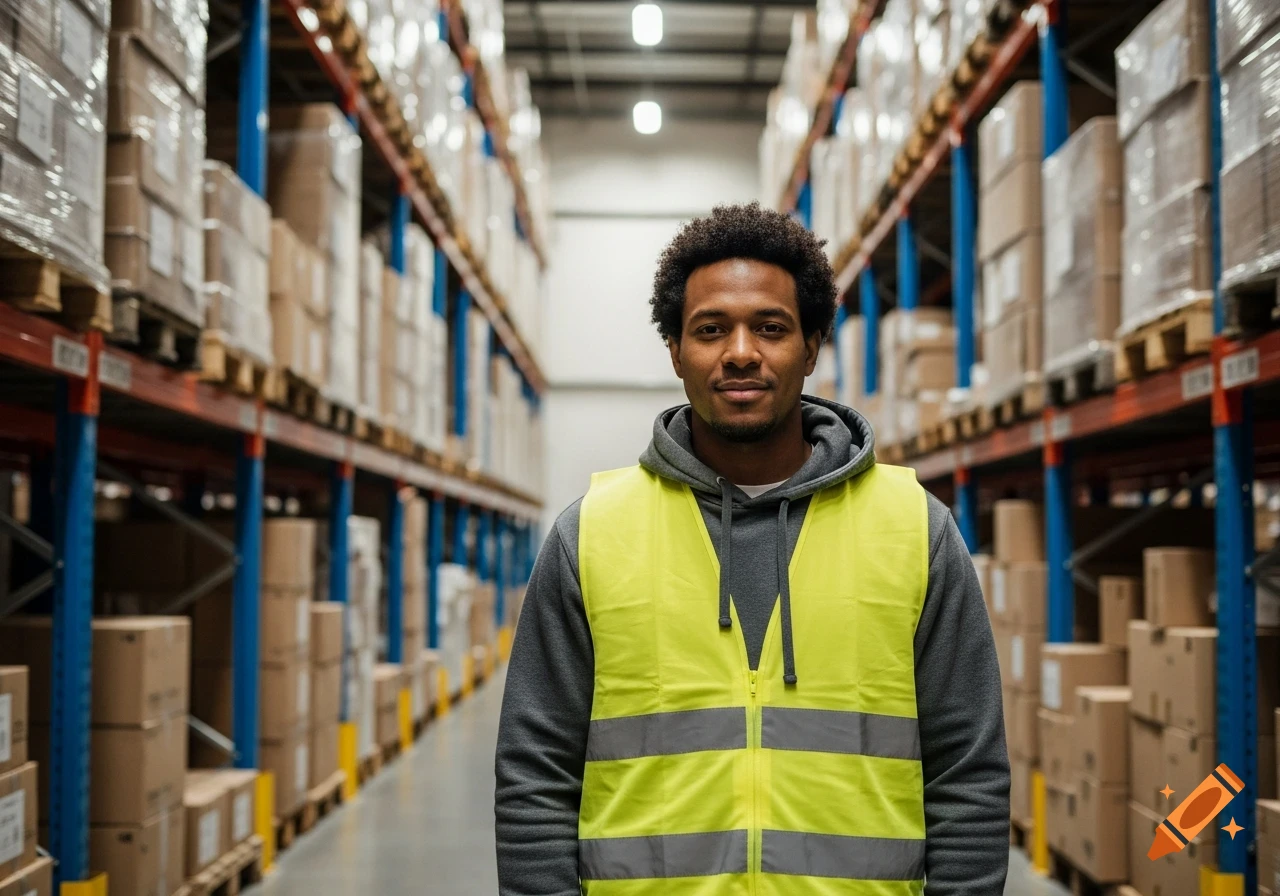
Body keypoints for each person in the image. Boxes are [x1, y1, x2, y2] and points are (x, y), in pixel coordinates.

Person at [495, 202, 1009, 895]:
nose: (741, 352)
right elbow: (534, 776)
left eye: (771, 328)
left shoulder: (916, 530)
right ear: (676, 350)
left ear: (812, 346)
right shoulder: (591, 535)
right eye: (711, 330)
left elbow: (968, 775)